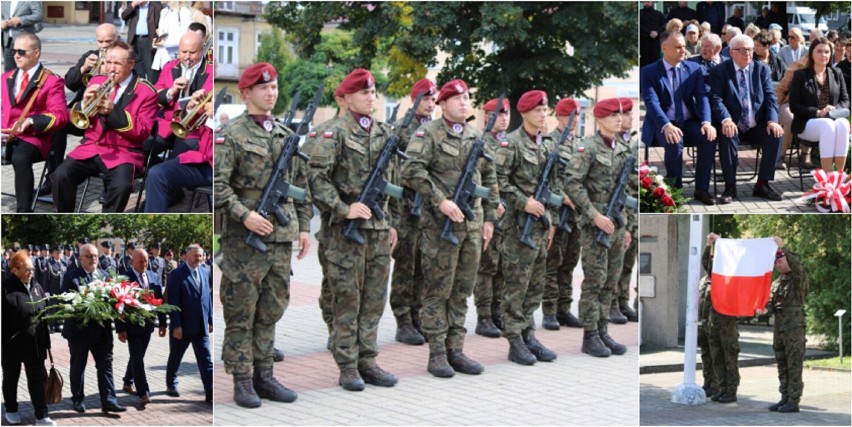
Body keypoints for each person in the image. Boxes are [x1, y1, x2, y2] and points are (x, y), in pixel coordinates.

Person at [215, 63, 310, 406]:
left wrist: (302, 227)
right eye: (263, 87)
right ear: (246, 94)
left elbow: (300, 185)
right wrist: (245, 215)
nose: (271, 92)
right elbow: (217, 186)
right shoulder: (231, 134)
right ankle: (242, 381)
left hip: (280, 238)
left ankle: (264, 375)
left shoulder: (285, 134)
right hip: (245, 241)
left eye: (274, 87)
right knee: (242, 311)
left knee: (271, 309)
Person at [309, 68, 401, 389]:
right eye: (364, 92)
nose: (371, 97)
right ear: (346, 98)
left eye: (373, 92)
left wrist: (393, 223)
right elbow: (316, 180)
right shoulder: (331, 133)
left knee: (374, 299)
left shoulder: (386, 133)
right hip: (344, 233)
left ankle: (368, 360)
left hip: (377, 230)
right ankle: (347, 365)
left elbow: (394, 183)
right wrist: (342, 208)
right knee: (347, 298)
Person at [400, 79, 499, 376]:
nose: (463, 102)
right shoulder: (427, 133)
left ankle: (456, 349)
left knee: (461, 290)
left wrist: (490, 218)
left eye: (466, 97)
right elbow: (411, 170)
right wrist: (440, 199)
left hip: (471, 226)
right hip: (439, 227)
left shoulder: (474, 136)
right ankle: (437, 353)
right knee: (438, 290)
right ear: (442, 104)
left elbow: (489, 179)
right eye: (456, 98)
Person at [493, 90, 564, 365]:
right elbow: (498, 181)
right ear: (524, 114)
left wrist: (552, 220)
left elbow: (555, 186)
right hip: (517, 227)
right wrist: (524, 202)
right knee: (516, 285)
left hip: (540, 226)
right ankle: (514, 340)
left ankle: (528, 334)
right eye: (537, 110)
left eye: (545, 110)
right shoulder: (511, 144)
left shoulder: (545, 146)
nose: (543, 114)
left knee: (535, 285)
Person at [50, 41, 158, 212]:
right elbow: (78, 122)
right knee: (59, 176)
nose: (111, 68)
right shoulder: (97, 79)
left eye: (117, 63)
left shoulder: (146, 92)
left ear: (131, 64)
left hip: (124, 151)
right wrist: (84, 104)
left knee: (121, 187)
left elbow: (143, 132)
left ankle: (106, 222)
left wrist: (112, 111)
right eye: (108, 62)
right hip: (92, 146)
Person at [566, 98, 632, 358]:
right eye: (613, 115)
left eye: (620, 114)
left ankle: (603, 329)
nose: (619, 118)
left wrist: (626, 227)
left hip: (617, 224)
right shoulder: (587, 148)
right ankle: (590, 334)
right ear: (599, 119)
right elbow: (572, 184)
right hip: (596, 227)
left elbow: (625, 191)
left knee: (611, 281)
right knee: (594, 280)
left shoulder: (623, 149)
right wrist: (594, 216)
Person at [640, 30, 717, 205]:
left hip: (689, 122)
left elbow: (702, 96)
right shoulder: (649, 71)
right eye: (678, 47)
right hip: (663, 124)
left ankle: (702, 189)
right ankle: (676, 191)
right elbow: (651, 102)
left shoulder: (693, 69)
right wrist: (666, 125)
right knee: (674, 140)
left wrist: (706, 122)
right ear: (664, 48)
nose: (683, 51)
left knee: (709, 137)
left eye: (684, 47)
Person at [709, 34, 784, 203]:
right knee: (727, 136)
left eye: (750, 50)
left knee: (776, 134)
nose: (748, 54)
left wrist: (772, 121)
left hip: (755, 124)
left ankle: (762, 184)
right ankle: (730, 187)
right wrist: (726, 119)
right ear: (731, 52)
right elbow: (716, 99)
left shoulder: (761, 69)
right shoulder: (720, 71)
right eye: (742, 50)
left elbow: (771, 98)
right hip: (732, 124)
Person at [390, 78, 436, 346]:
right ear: (415, 99)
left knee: (424, 266)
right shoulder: (402, 129)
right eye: (425, 99)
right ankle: (403, 320)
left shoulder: (434, 130)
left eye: (432, 99)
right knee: (406, 265)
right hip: (407, 208)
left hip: (430, 208)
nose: (430, 104)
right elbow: (396, 170)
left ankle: (418, 316)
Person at [1, 33, 68, 212]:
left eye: (21, 52)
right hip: (6, 133)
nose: (15, 55)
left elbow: (61, 116)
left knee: (20, 157)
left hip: (35, 137)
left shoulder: (52, 81)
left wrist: (31, 121)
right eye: (14, 51)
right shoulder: (6, 77)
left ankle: (24, 210)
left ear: (36, 53)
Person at [61, 243, 125, 414]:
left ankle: (109, 401)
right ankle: (77, 399)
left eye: (95, 256)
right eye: (88, 256)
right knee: (78, 366)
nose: (93, 259)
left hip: (102, 332)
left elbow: (115, 300)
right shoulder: (71, 277)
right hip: (79, 331)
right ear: (80, 258)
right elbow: (66, 301)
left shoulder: (105, 276)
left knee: (106, 365)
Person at [541, 97, 583, 331]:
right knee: (552, 263)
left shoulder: (580, 144)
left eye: (577, 115)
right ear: (559, 117)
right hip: (557, 212)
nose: (575, 120)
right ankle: (549, 311)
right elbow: (545, 178)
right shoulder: (550, 143)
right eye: (570, 116)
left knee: (569, 262)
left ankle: (564, 309)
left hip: (576, 215)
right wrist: (563, 195)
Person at [2, 251, 55, 426]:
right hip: (12, 347)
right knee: (11, 379)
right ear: (15, 270)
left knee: (37, 381)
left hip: (36, 346)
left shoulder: (37, 287)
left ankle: (41, 415)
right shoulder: (5, 289)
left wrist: (46, 344)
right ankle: (11, 410)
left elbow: (43, 317)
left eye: (32, 269)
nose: (31, 272)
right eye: (27, 269)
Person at [473, 97, 510, 337]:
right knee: (486, 267)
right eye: (500, 114)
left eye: (507, 114)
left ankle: (498, 313)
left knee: (504, 267)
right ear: (487, 116)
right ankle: (484, 316)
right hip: (488, 212)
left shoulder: (511, 143)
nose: (505, 118)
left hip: (510, 215)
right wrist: (491, 204)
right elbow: (478, 179)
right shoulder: (479, 142)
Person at [758, 238, 808, 413]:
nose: (778, 264)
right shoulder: (776, 283)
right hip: (779, 330)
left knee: (794, 366)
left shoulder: (797, 280)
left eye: (780, 260)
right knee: (782, 365)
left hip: (793, 329)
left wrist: (783, 248)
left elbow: (798, 266)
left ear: (787, 259)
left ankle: (793, 401)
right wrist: (763, 310)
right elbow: (771, 305)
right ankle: (784, 398)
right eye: (776, 262)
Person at [144, 88, 213, 212]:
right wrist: (191, 108)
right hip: (204, 156)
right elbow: (193, 127)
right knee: (157, 173)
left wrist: (218, 116)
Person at [789, 36, 850, 173]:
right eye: (819, 51)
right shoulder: (800, 75)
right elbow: (794, 105)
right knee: (827, 125)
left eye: (827, 52)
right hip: (807, 123)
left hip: (832, 120)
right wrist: (817, 112)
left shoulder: (836, 73)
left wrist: (834, 109)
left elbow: (846, 101)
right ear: (812, 53)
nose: (824, 55)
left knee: (843, 124)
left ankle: (838, 175)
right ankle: (828, 178)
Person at [151, 31, 213, 160]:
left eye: (192, 52)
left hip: (192, 130)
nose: (187, 57)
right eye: (183, 52)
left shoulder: (212, 71)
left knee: (177, 161)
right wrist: (171, 91)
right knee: (144, 149)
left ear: (202, 49)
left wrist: (195, 105)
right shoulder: (169, 66)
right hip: (166, 125)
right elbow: (153, 97)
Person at [117, 248, 166, 406]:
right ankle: (143, 392)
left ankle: (127, 381)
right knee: (138, 359)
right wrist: (120, 329)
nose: (144, 264)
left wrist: (163, 323)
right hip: (132, 326)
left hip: (148, 325)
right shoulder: (125, 279)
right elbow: (118, 305)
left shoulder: (153, 276)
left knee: (138, 356)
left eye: (146, 261)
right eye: (140, 261)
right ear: (132, 262)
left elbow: (159, 301)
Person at [165, 244, 213, 403]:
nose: (198, 259)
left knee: (206, 359)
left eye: (200, 256)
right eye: (195, 256)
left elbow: (207, 297)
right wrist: (176, 325)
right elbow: (173, 302)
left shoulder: (205, 271)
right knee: (176, 357)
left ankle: (210, 391)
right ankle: (171, 384)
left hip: (201, 326)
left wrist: (210, 319)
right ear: (186, 256)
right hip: (183, 327)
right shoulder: (177, 274)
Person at [697, 233, 718, 399]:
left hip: (714, 324)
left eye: (713, 259)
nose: (710, 261)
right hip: (703, 324)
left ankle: (716, 385)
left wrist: (709, 245)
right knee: (705, 355)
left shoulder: (719, 279)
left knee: (715, 356)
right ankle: (707, 383)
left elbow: (705, 261)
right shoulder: (705, 280)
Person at [121, 1, 162, 81]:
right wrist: (133, 5)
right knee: (137, 66)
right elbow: (124, 16)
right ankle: (138, 87)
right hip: (134, 40)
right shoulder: (134, 6)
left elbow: (159, 22)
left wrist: (158, 36)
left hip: (148, 40)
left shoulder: (155, 5)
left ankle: (151, 88)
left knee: (149, 67)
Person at [1, 1, 42, 73]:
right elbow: (3, 17)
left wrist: (21, 20)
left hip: (25, 42)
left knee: (26, 69)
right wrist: (2, 24)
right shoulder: (5, 1)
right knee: (9, 72)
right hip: (8, 42)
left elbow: (38, 15)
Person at [44, 246, 65, 333]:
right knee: (52, 308)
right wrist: (47, 291)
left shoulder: (64, 263)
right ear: (53, 254)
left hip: (62, 290)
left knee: (60, 307)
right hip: (53, 289)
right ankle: (51, 325)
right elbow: (46, 279)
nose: (59, 254)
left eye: (60, 252)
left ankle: (59, 324)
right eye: (57, 252)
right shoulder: (49, 264)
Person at [639, 1, 665, 68]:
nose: (646, 3)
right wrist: (649, 33)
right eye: (645, 2)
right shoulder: (639, 13)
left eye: (648, 1)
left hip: (656, 42)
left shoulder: (658, 14)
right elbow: (639, 26)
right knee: (644, 63)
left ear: (652, 2)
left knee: (655, 62)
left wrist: (657, 32)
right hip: (643, 42)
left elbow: (664, 26)